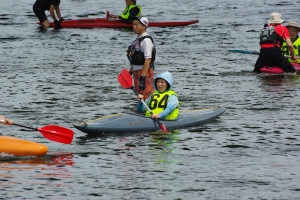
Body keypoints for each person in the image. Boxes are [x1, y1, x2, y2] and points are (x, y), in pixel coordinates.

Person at [127, 16, 156, 100]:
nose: (134, 26)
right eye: (133, 24)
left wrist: (143, 76)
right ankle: (140, 112)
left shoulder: (146, 40)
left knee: (146, 96)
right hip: (137, 72)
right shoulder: (138, 39)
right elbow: (134, 57)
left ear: (144, 26)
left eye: (137, 24)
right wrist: (130, 71)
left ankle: (150, 112)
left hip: (144, 73)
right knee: (140, 97)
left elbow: (148, 59)